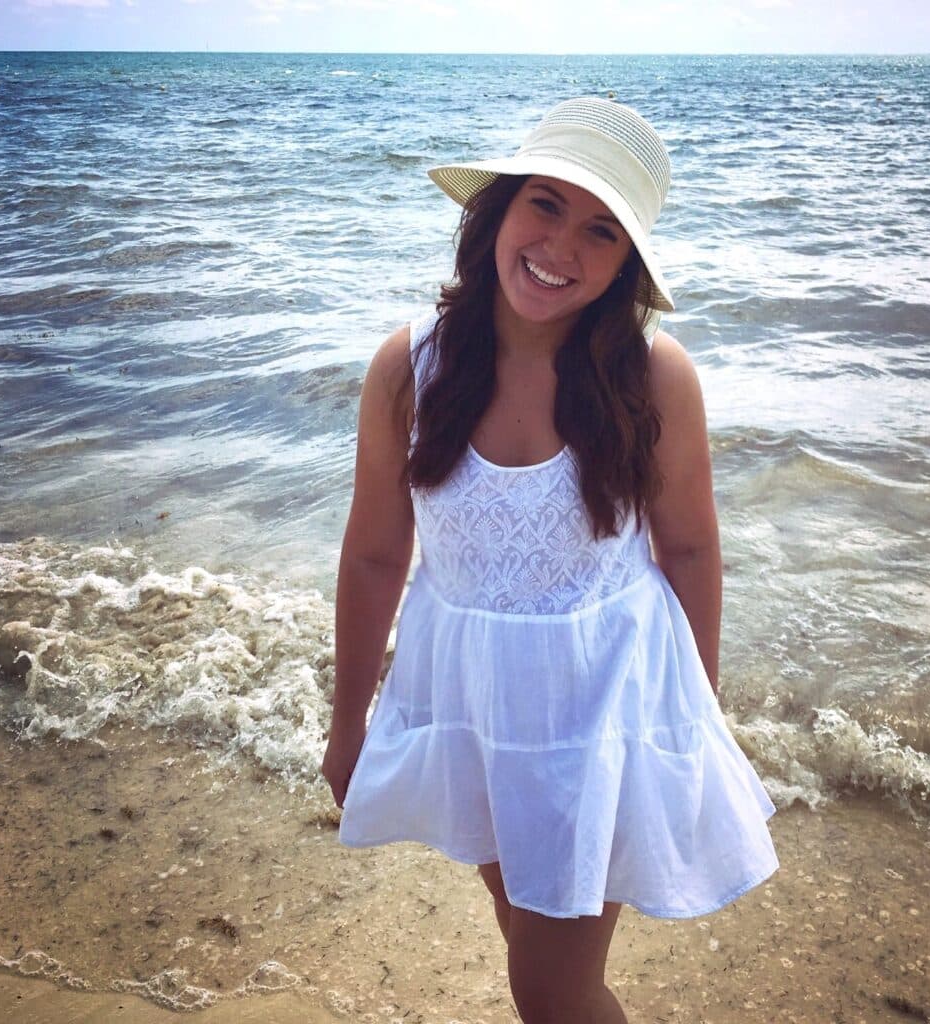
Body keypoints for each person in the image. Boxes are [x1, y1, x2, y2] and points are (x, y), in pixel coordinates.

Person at [321, 97, 778, 1024]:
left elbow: (691, 547)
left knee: (549, 988)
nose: (560, 247)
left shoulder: (653, 379)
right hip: (473, 703)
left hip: (604, 705)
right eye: (545, 205)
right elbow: (374, 554)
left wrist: (693, 721)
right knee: (531, 948)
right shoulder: (410, 369)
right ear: (498, 210)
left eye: (601, 231)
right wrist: (347, 722)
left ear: (625, 263)